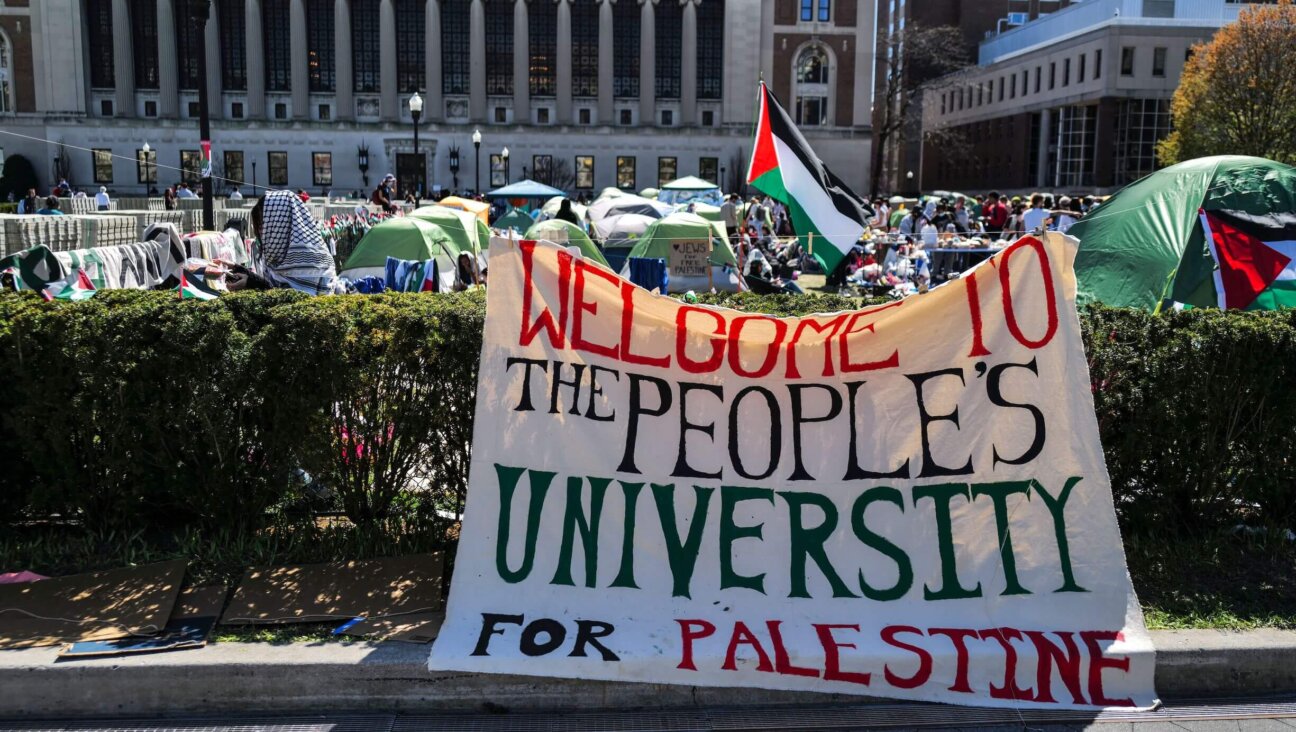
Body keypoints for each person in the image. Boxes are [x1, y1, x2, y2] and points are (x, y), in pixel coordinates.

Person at [233, 189, 344, 294]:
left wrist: (252, 283)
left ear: (280, 225)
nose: (262, 233)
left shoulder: (310, 261)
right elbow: (274, 289)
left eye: (263, 226)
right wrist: (243, 272)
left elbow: (295, 303)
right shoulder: (279, 258)